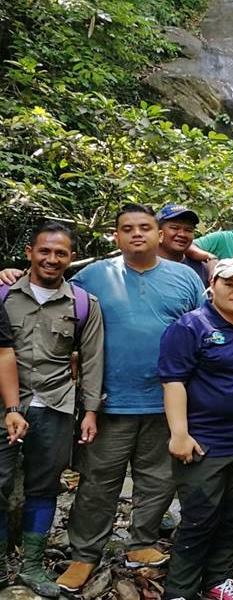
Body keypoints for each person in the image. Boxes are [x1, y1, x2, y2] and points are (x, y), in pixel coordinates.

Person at [55, 204, 206, 592]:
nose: (136, 234)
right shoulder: (93, 276)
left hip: (166, 400)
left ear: (158, 234)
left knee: (158, 479)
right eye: (127, 228)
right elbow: (53, 300)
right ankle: (84, 554)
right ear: (116, 237)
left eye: (144, 227)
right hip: (108, 400)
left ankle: (141, 543)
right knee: (97, 482)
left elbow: (201, 333)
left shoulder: (185, 278)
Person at [0, 223, 105, 596]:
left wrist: (90, 411)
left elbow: (93, 361)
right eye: (44, 251)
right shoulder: (3, 294)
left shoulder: (82, 303)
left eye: (60, 253)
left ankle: (31, 565)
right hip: (4, 406)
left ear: (71, 258)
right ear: (29, 252)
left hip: (55, 405)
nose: (51, 259)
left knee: (44, 487)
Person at [158, 259, 233, 600]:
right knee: (199, 516)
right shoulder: (191, 326)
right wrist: (179, 433)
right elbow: (173, 380)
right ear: (212, 285)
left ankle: (219, 578)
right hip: (204, 439)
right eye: (230, 284)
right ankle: (181, 588)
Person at [157, 203, 209, 283]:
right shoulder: (141, 265)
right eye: (175, 228)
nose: (182, 234)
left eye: (188, 230)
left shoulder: (202, 269)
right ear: (158, 233)